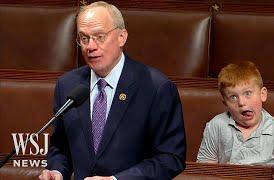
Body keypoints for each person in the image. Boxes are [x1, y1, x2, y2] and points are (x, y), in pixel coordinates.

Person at [39, 1, 186, 180]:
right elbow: (61, 147)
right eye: (84, 38)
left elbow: (171, 158)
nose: (90, 46)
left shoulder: (156, 87)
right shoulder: (68, 85)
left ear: (121, 37)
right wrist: (57, 170)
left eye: (99, 36)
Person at [197, 61, 274, 180]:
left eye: (248, 93)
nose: (242, 103)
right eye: (233, 97)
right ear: (225, 104)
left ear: (262, 94)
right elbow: (204, 172)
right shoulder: (216, 125)